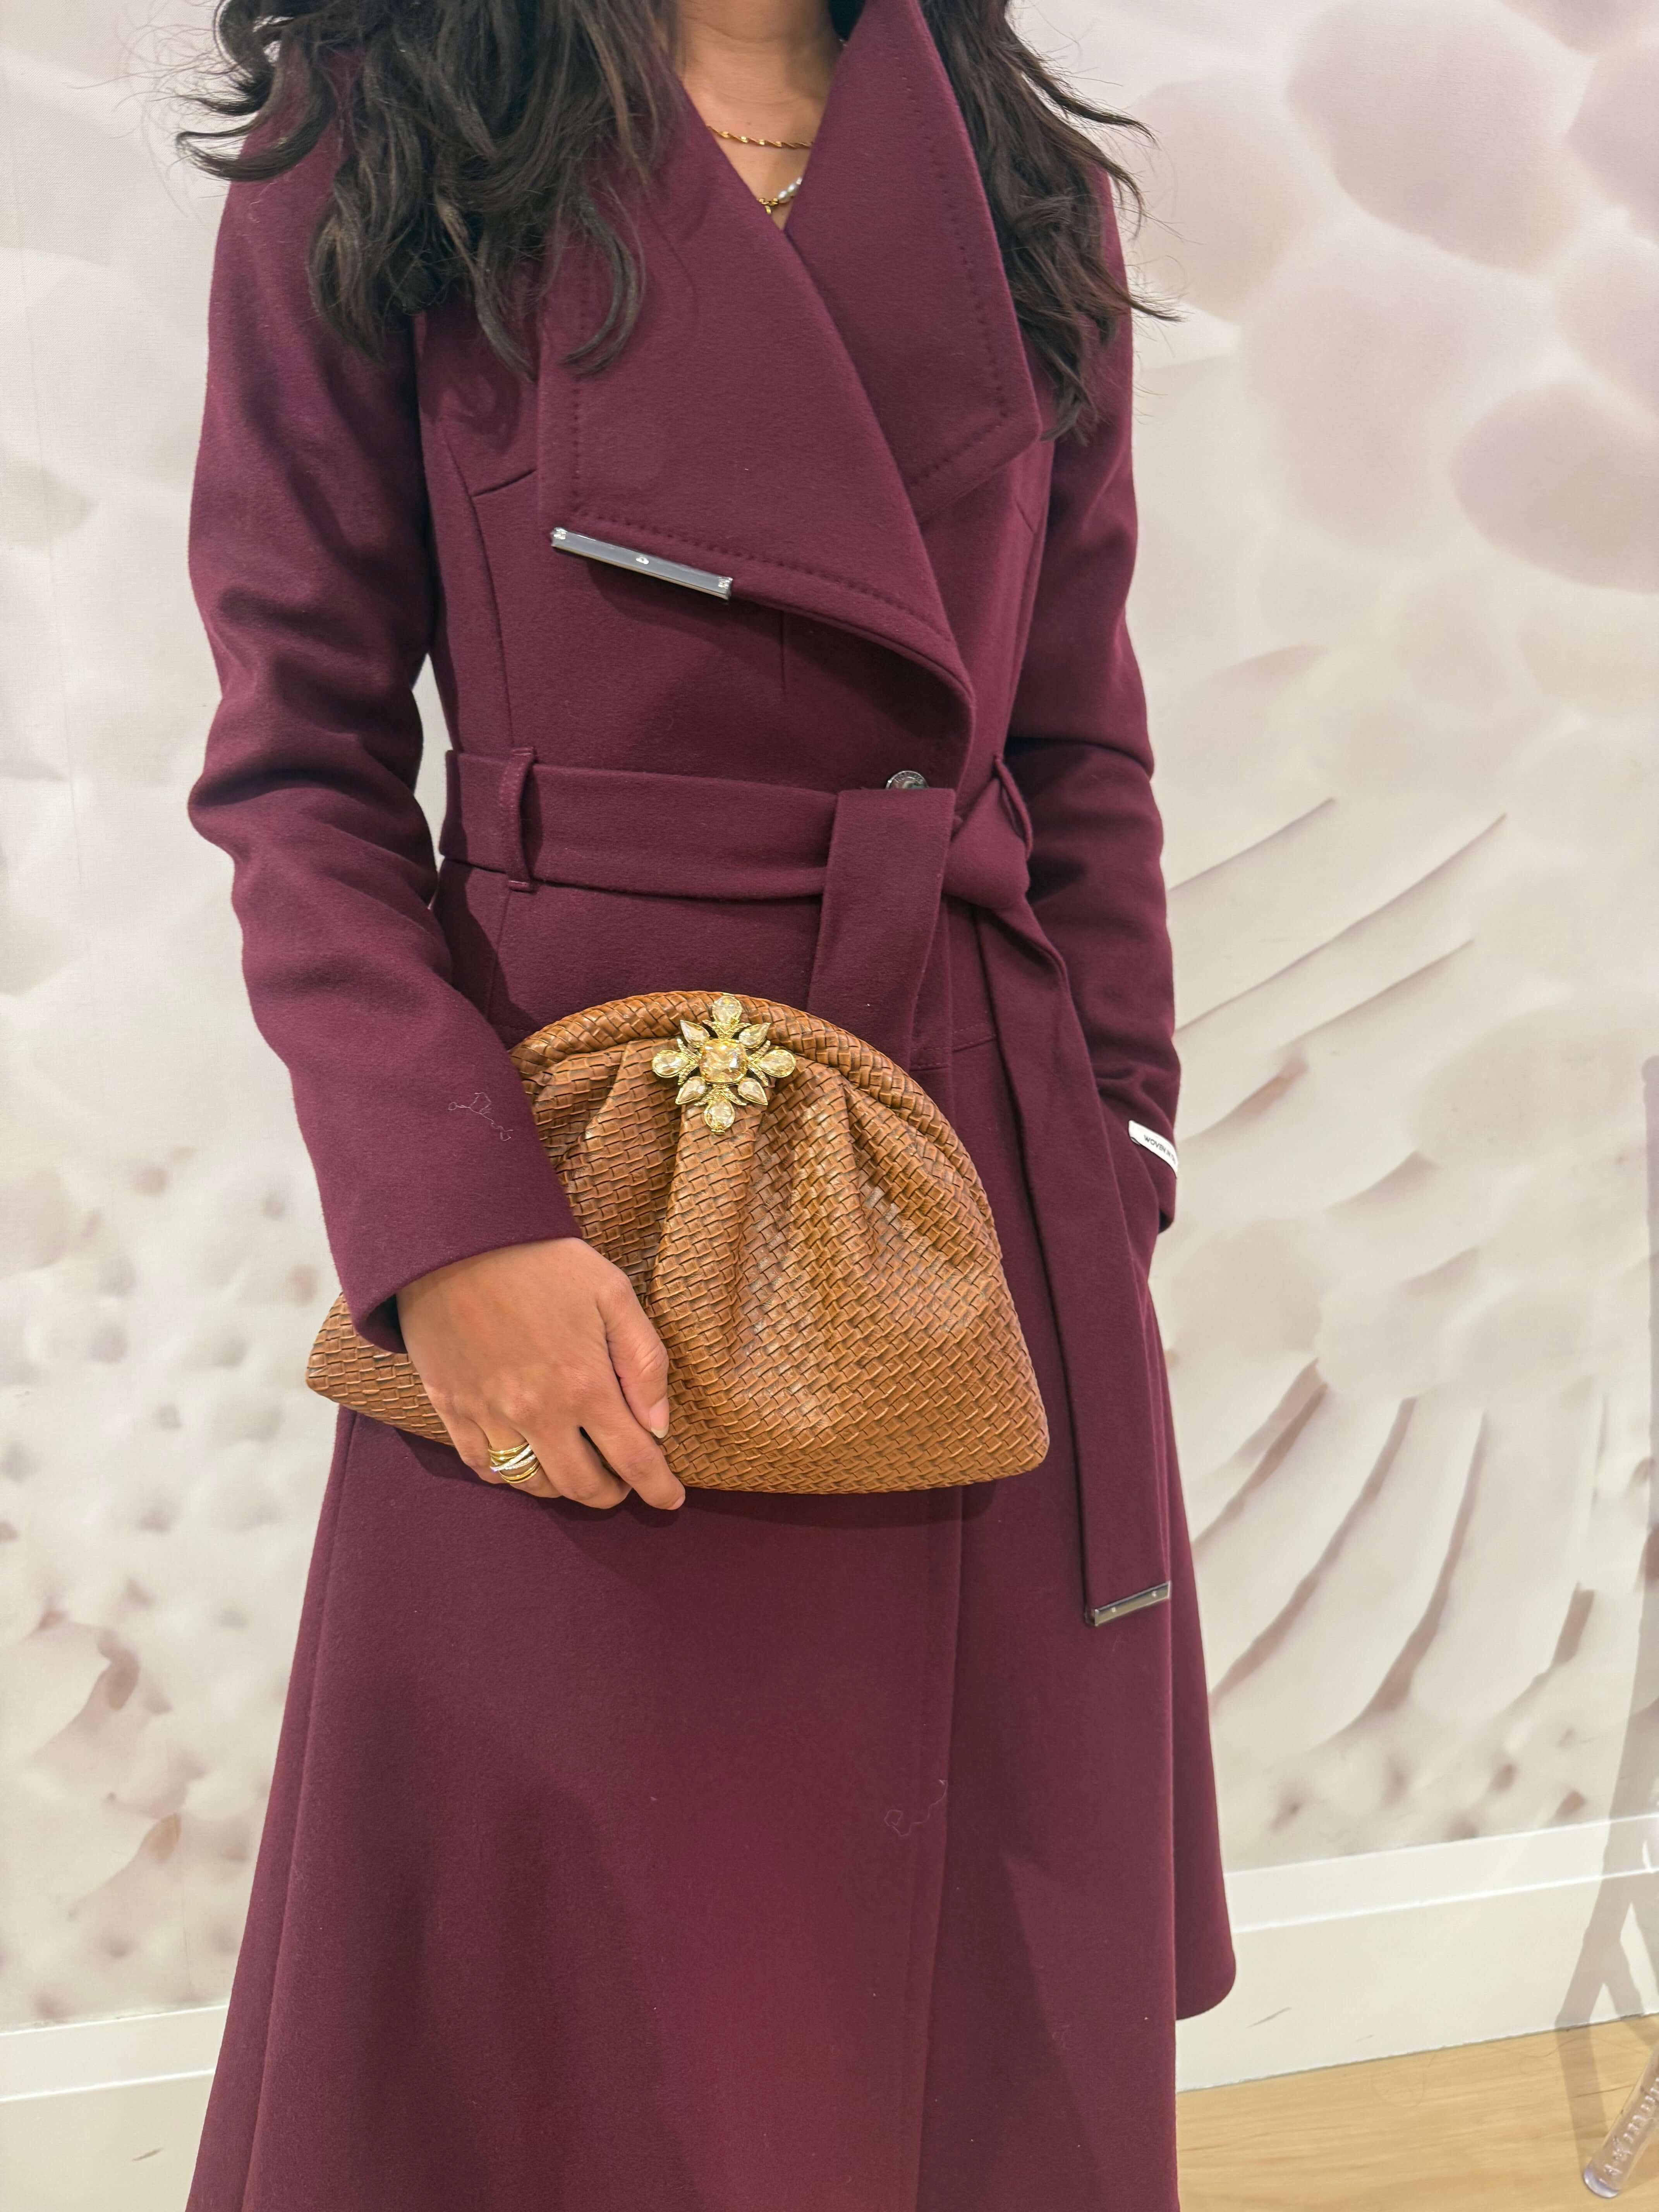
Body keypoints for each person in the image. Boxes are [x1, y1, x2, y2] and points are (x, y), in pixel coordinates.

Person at [179, 0, 1237, 2204]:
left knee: (952, 2032)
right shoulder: (391, 124)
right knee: (568, 2018)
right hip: (579, 1185)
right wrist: (445, 1223)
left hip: (964, 1187)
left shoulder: (1016, 177)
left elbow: (1075, 738)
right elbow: (300, 762)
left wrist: (1117, 1137)